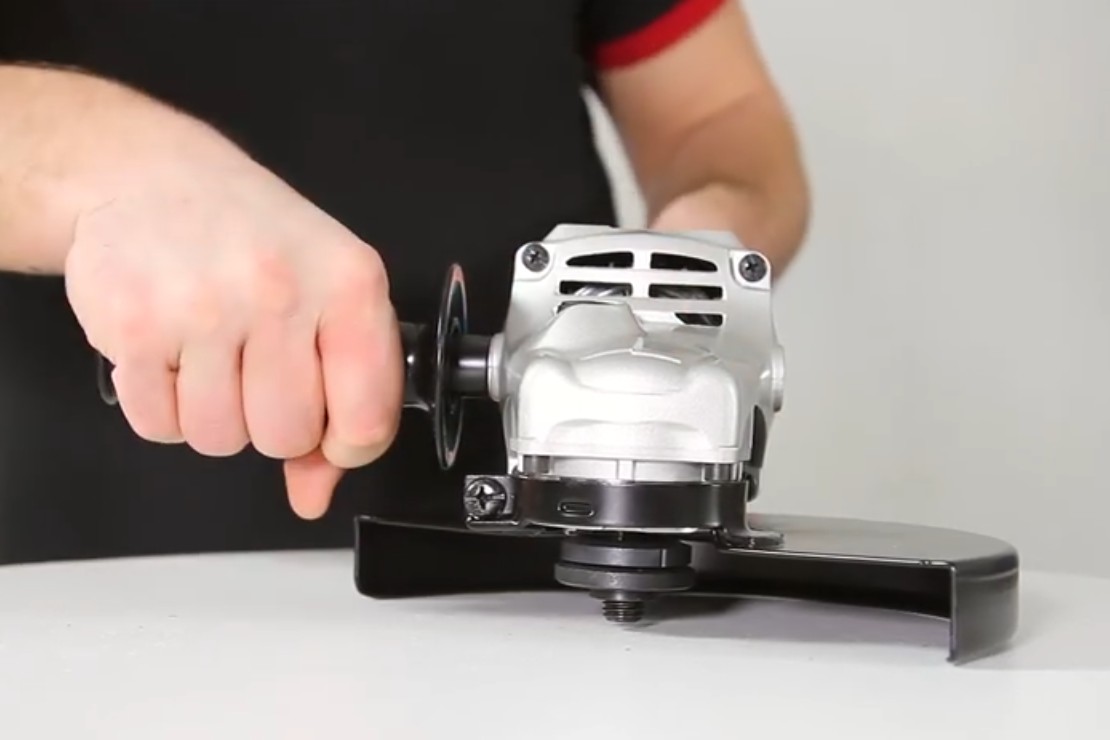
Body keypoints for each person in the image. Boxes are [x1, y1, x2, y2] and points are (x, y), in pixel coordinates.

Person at [0, 0, 809, 564]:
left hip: (536, 571)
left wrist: (691, 265)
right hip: (73, 575)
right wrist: (122, 167)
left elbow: (721, 118)